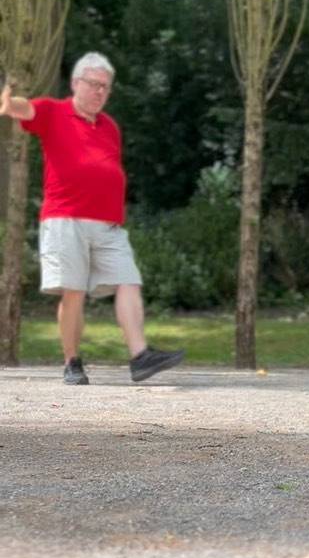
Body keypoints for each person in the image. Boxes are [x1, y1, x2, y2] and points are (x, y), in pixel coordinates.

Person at [0, 53, 185, 386]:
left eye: (106, 87)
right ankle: (72, 361)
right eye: (94, 84)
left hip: (108, 225)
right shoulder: (53, 112)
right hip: (65, 219)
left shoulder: (110, 127)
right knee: (73, 292)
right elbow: (23, 108)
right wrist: (9, 102)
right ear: (75, 83)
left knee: (129, 279)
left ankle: (141, 357)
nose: (100, 92)